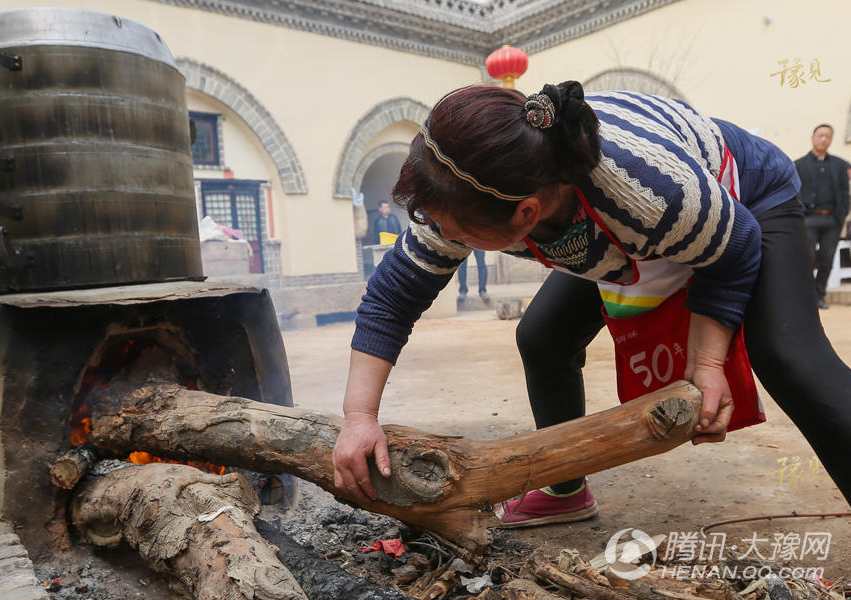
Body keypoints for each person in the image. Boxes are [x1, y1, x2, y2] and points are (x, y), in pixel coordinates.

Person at [332, 82, 851, 527]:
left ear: (525, 215)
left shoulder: (646, 192)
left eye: (451, 228)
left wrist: (708, 364)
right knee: (543, 336)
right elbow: (392, 298)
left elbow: (733, 249)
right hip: (625, 231)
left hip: (745, 199)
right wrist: (359, 417)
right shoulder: (471, 187)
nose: (440, 236)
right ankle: (564, 489)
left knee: (789, 355)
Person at [794, 124, 851, 309]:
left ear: (831, 139)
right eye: (820, 135)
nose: (823, 139)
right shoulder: (799, 164)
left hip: (832, 220)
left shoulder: (841, 165)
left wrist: (841, 216)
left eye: (827, 136)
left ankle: (820, 295)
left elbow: (844, 192)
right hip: (808, 219)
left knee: (826, 259)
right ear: (813, 137)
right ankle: (806, 296)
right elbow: (795, 191)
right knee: (808, 258)